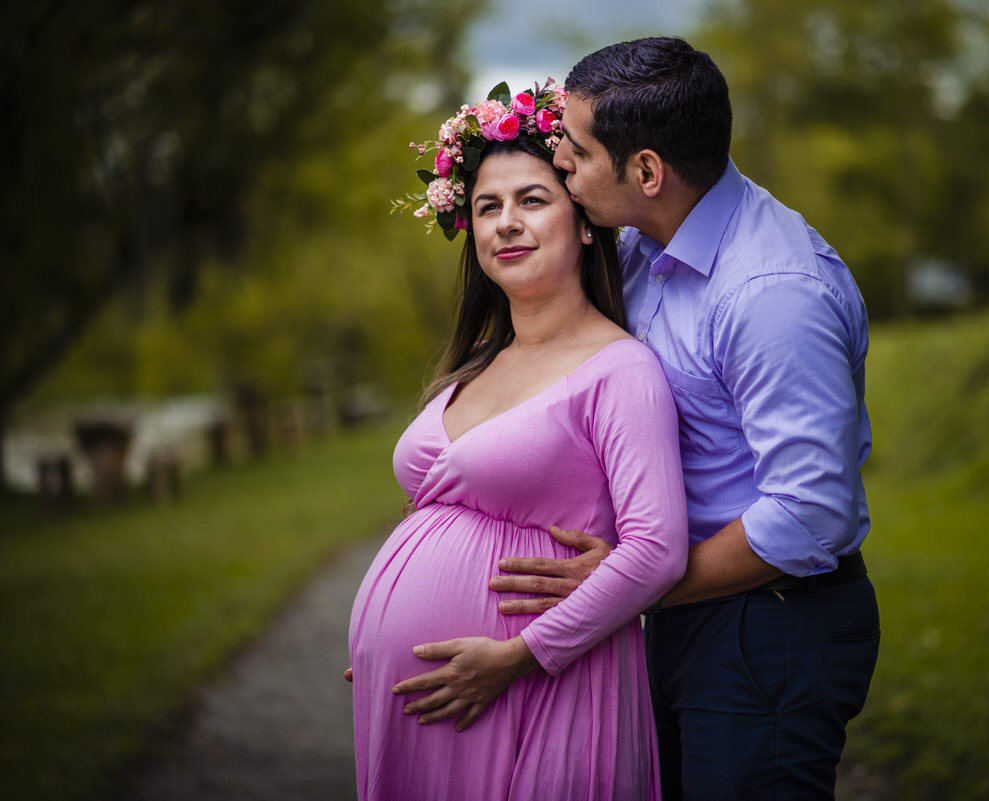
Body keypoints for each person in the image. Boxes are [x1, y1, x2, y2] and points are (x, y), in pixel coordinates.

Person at [484, 38, 881, 800]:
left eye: (577, 151)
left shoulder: (772, 295)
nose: (562, 163)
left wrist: (634, 584)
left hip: (768, 625)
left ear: (646, 171)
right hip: (688, 607)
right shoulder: (641, 242)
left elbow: (809, 516)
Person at [346, 81, 688, 801]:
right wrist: (383, 631)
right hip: (427, 691)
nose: (506, 223)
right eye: (487, 206)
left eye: (532, 200)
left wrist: (517, 656)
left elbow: (657, 550)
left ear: (585, 221)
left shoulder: (621, 370)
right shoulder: (473, 366)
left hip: (536, 684)